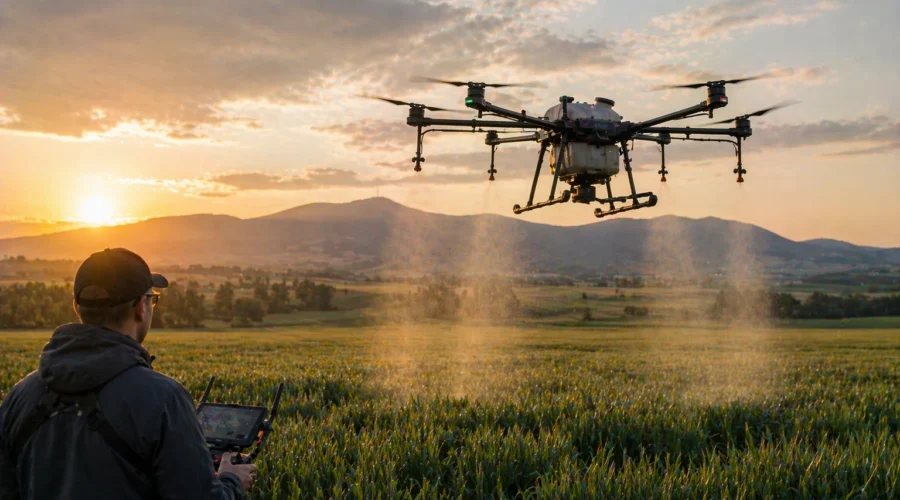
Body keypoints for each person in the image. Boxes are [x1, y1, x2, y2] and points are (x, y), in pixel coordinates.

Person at [0, 248, 257, 499]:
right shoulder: (164, 398)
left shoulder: (19, 395)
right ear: (139, 307)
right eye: (152, 298)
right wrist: (231, 481)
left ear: (78, 308)